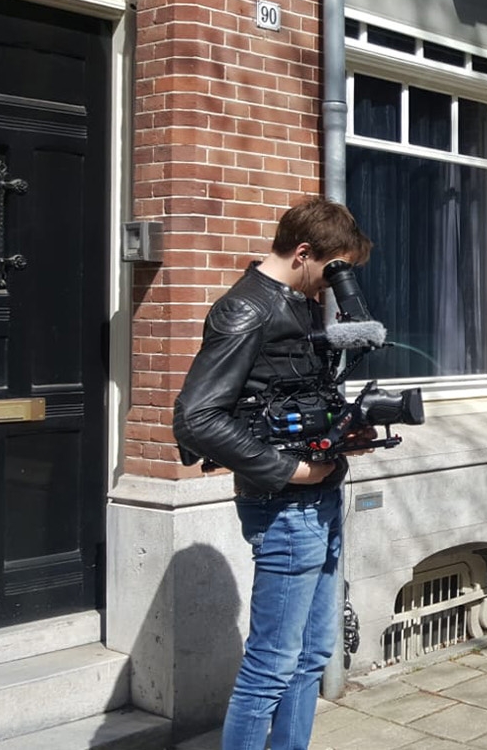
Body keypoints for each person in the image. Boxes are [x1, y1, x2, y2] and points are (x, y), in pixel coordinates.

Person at [173, 197, 375, 750]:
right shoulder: (246, 309)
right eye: (334, 270)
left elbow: (285, 400)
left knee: (311, 657)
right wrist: (295, 469)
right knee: (270, 669)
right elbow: (196, 418)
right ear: (304, 253)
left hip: (318, 503)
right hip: (286, 509)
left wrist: (340, 435)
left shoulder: (297, 303)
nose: (335, 285)